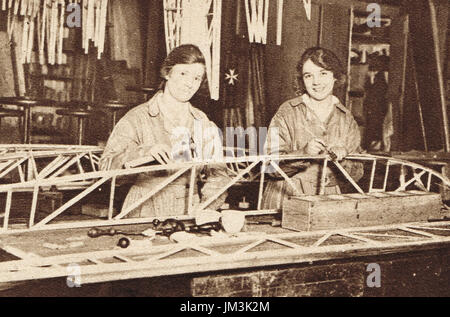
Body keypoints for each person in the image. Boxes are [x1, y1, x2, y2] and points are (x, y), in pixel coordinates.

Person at [100, 44, 227, 217]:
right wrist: (143, 153)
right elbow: (106, 168)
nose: (190, 83)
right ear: (167, 73)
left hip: (190, 210)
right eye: (183, 74)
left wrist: (206, 207)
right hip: (144, 208)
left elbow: (219, 174)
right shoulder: (138, 117)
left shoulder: (202, 122)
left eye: (197, 78)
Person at [262, 47, 363, 210]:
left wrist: (343, 158)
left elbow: (358, 173)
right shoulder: (288, 112)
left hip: (329, 201)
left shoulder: (345, 117)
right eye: (309, 76)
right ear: (302, 80)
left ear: (335, 77)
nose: (316, 82)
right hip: (286, 198)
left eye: (323, 73)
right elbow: (268, 167)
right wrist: (303, 153)